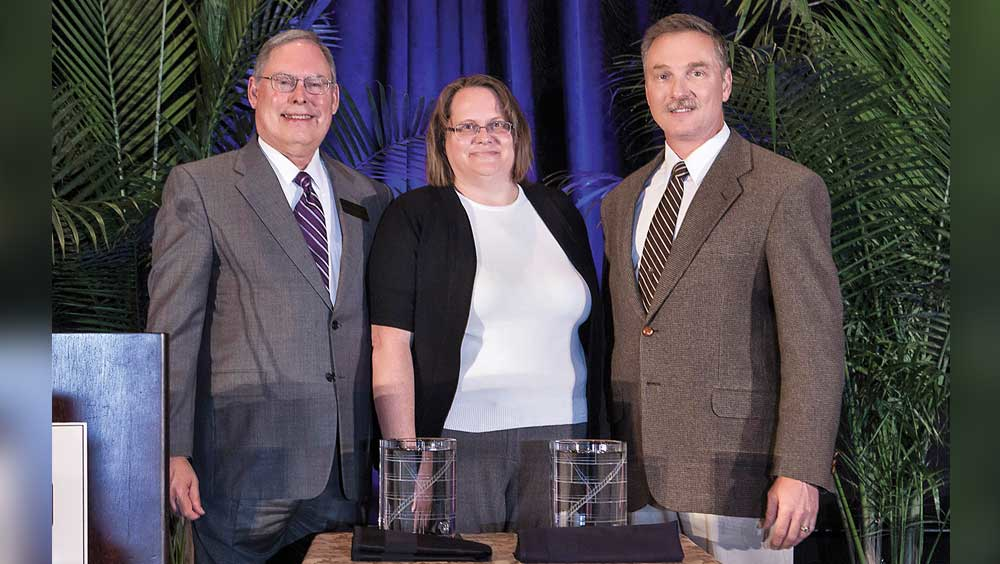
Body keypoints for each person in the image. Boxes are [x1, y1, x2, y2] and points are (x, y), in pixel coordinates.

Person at [600, 14, 844, 564]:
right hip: (638, 477)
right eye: (662, 75)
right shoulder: (620, 201)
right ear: (647, 89)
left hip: (740, 477)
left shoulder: (784, 188)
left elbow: (815, 346)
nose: (678, 90)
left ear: (726, 83)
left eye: (696, 72)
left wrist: (800, 469)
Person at [147, 30, 392, 563]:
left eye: (316, 84)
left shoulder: (370, 196)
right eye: (285, 82)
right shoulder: (200, 188)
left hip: (342, 473)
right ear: (255, 92)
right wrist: (170, 448)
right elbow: (174, 329)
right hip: (239, 472)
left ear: (333, 98)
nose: (301, 96)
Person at [367, 74, 606, 533]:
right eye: (468, 127)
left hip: (565, 439)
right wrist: (408, 457)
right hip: (460, 444)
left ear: (517, 133)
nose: (486, 137)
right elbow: (389, 344)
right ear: (444, 140)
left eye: (498, 124)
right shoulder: (414, 217)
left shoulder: (559, 211)